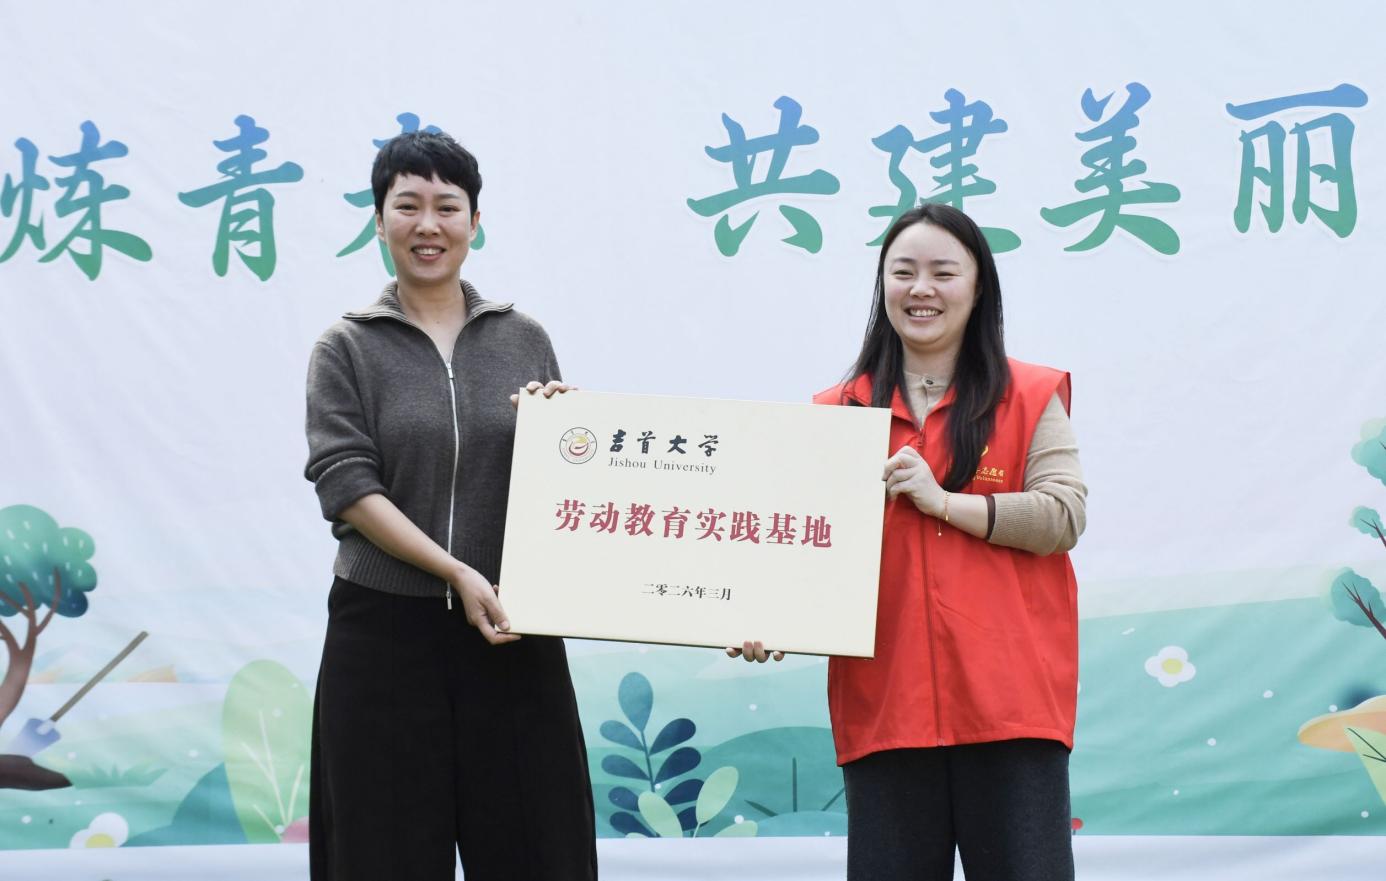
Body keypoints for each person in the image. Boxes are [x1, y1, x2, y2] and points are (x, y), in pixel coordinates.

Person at [732, 202, 1086, 880]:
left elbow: (1063, 514)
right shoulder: (835, 412)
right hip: (887, 709)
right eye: (904, 272)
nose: (922, 289)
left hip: (1010, 709)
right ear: (883, 284)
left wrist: (945, 503)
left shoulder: (1030, 394)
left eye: (943, 273)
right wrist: (766, 615)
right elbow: (801, 550)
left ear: (978, 287)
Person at [303, 130, 597, 880]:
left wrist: (567, 436)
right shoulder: (346, 347)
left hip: (511, 626)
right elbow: (347, 484)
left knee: (538, 846)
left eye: (447, 206)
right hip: (383, 634)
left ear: (474, 221)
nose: (427, 225)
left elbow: (562, 484)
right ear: (378, 221)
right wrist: (454, 571)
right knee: (383, 853)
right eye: (407, 206)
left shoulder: (522, 338)